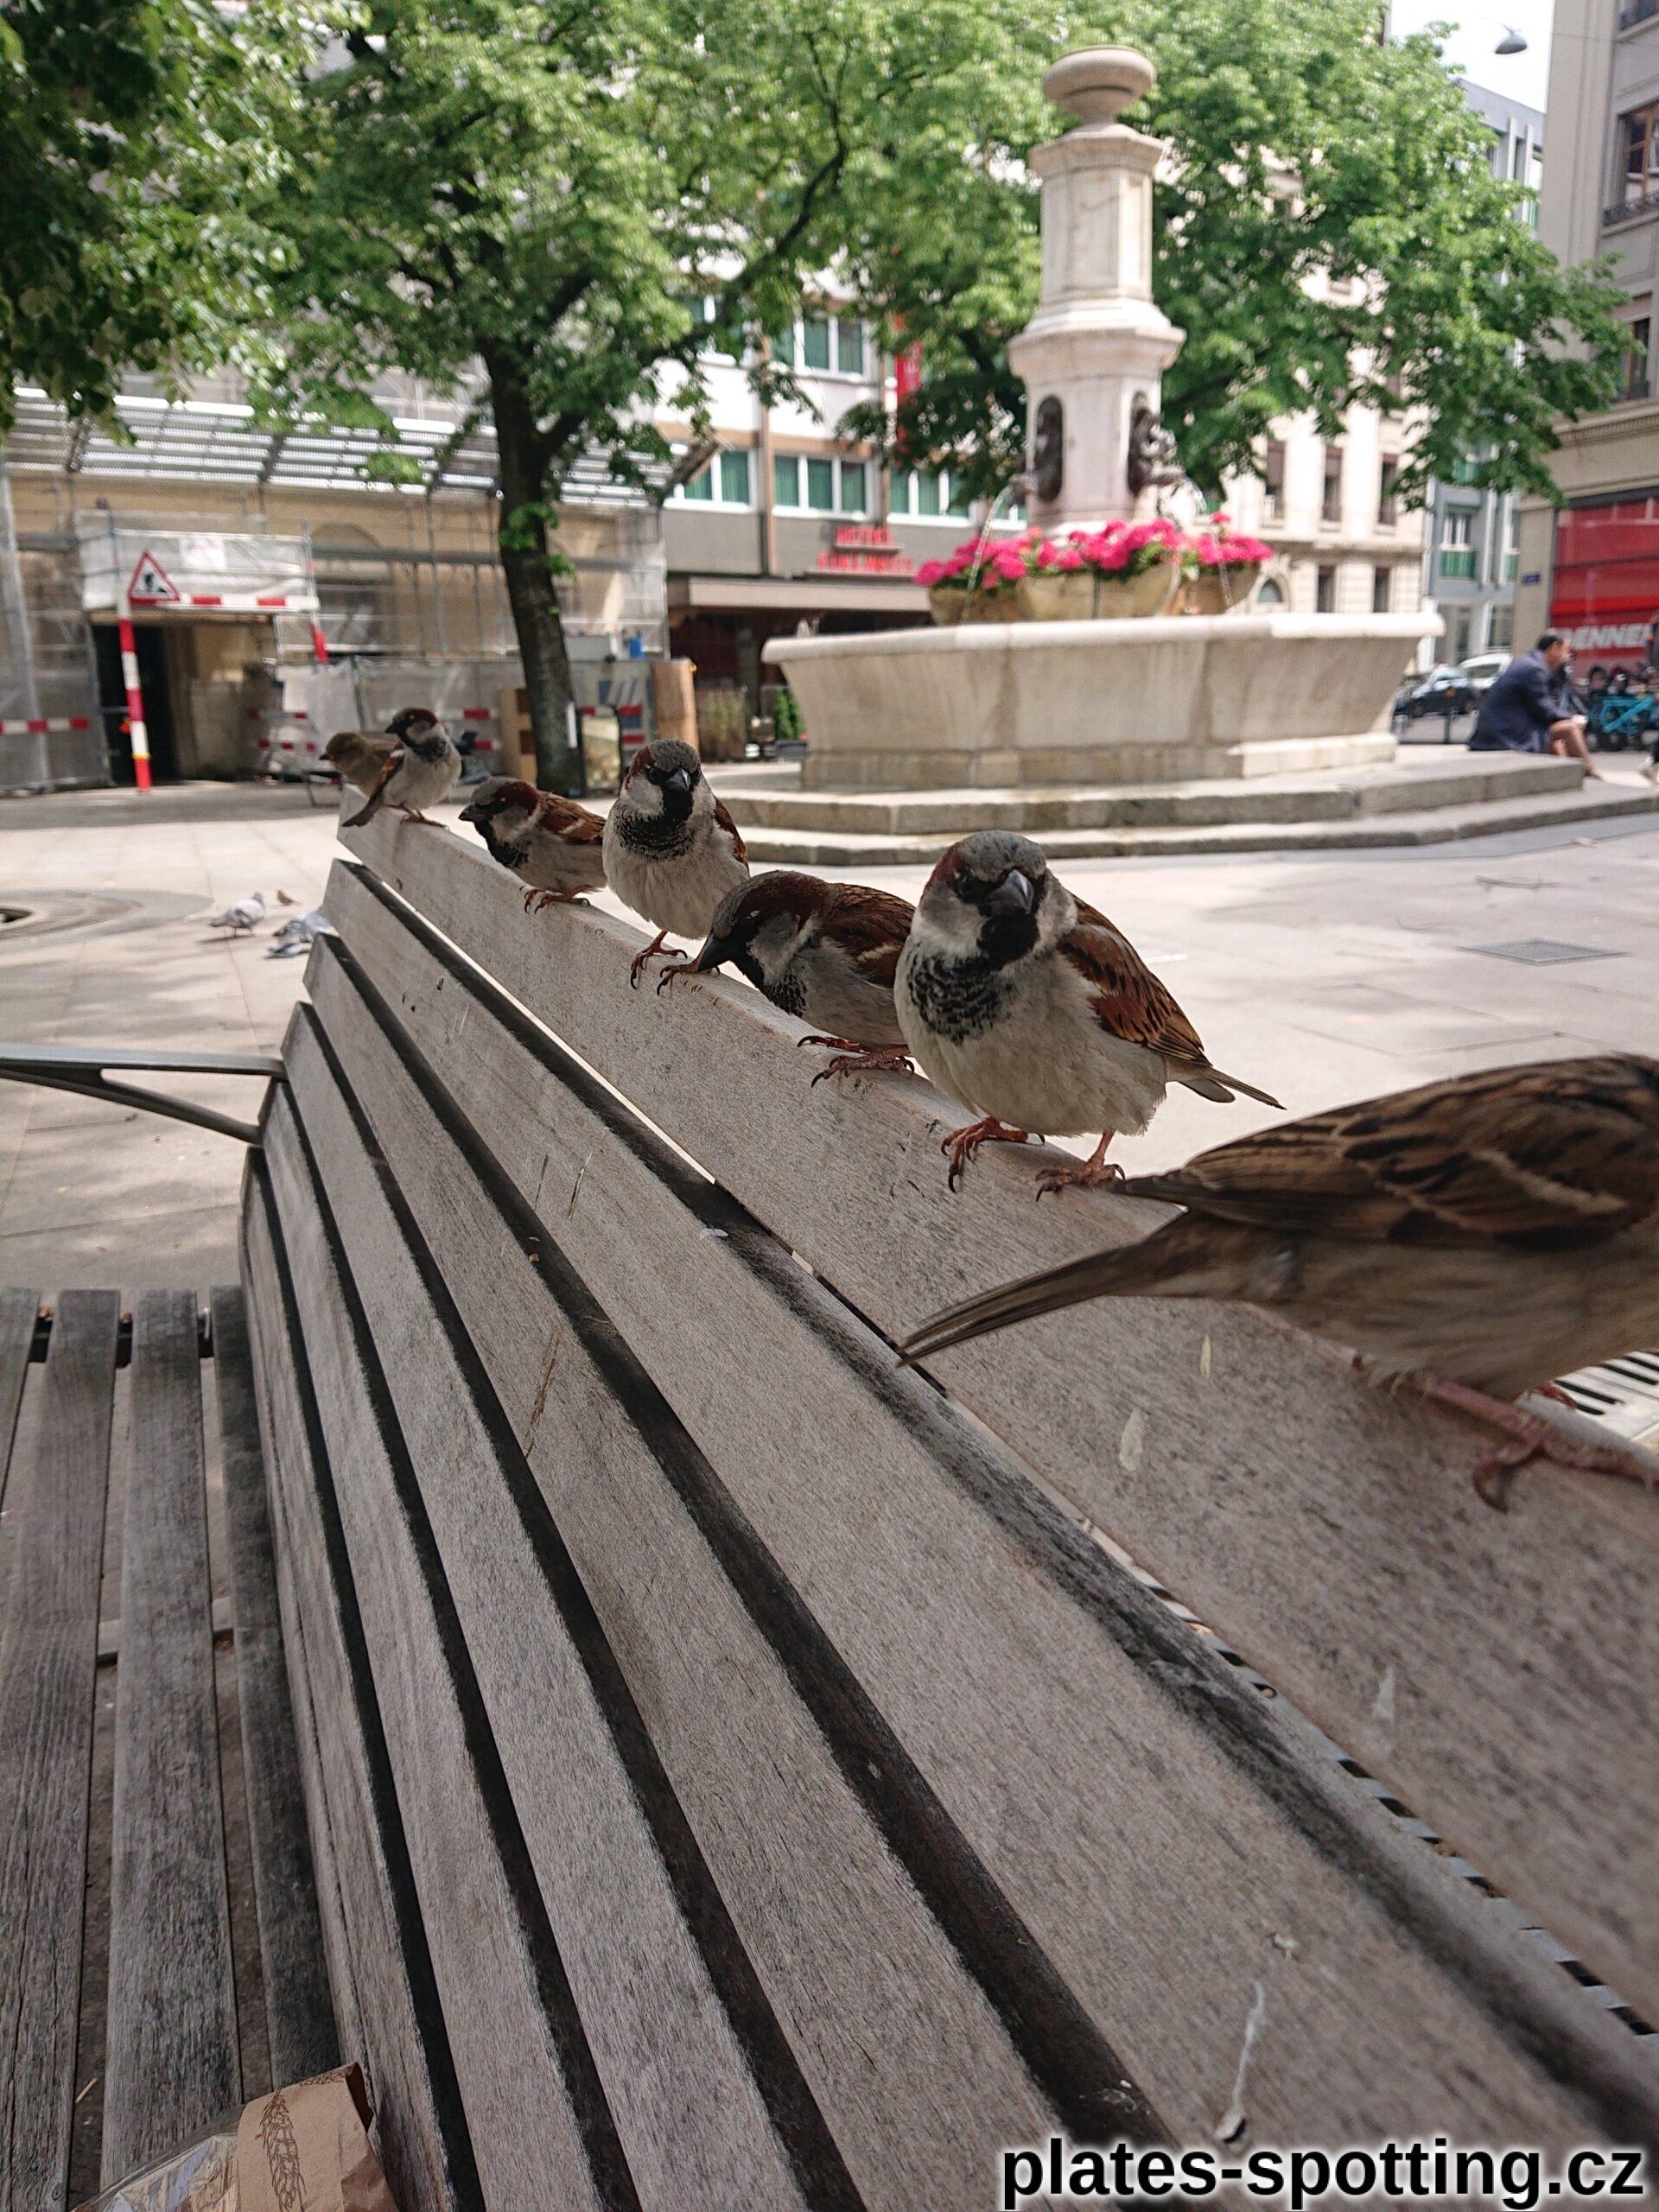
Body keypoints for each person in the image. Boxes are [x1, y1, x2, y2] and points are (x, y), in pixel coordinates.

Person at [1469, 631, 1600, 779]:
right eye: (1565, 652)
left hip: (1501, 730)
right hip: (1505, 734)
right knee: (1570, 728)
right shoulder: (1534, 669)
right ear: (1554, 648)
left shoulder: (1529, 663)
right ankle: (1590, 773)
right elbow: (1545, 710)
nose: (1566, 658)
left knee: (1555, 735)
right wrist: (1572, 718)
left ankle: (1564, 776)